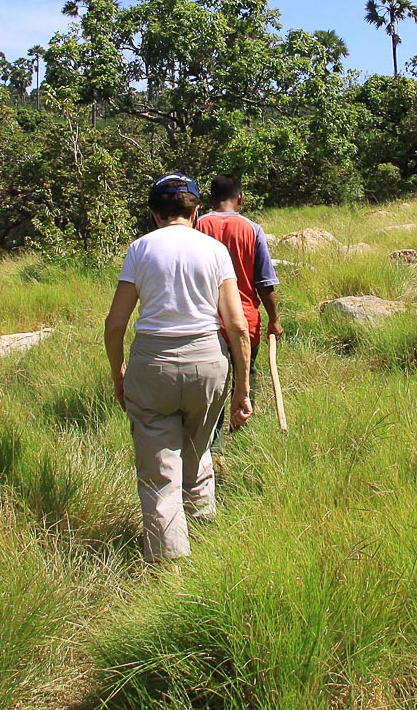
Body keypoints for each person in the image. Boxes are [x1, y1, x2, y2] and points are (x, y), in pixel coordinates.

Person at [103, 173, 253, 562]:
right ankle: (206, 544)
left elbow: (115, 323)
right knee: (197, 453)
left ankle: (173, 569)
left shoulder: (140, 249)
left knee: (159, 473)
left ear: (154, 213)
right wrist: (242, 390)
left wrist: (118, 372)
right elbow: (236, 326)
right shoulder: (214, 250)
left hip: (152, 364)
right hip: (208, 362)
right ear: (196, 210)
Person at [194, 175, 282, 406]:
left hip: (205, 320)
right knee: (246, 376)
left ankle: (214, 439)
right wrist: (274, 319)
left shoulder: (197, 226)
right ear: (240, 198)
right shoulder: (252, 229)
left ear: (211, 199)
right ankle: (241, 426)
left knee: (210, 387)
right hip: (245, 320)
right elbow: (264, 283)